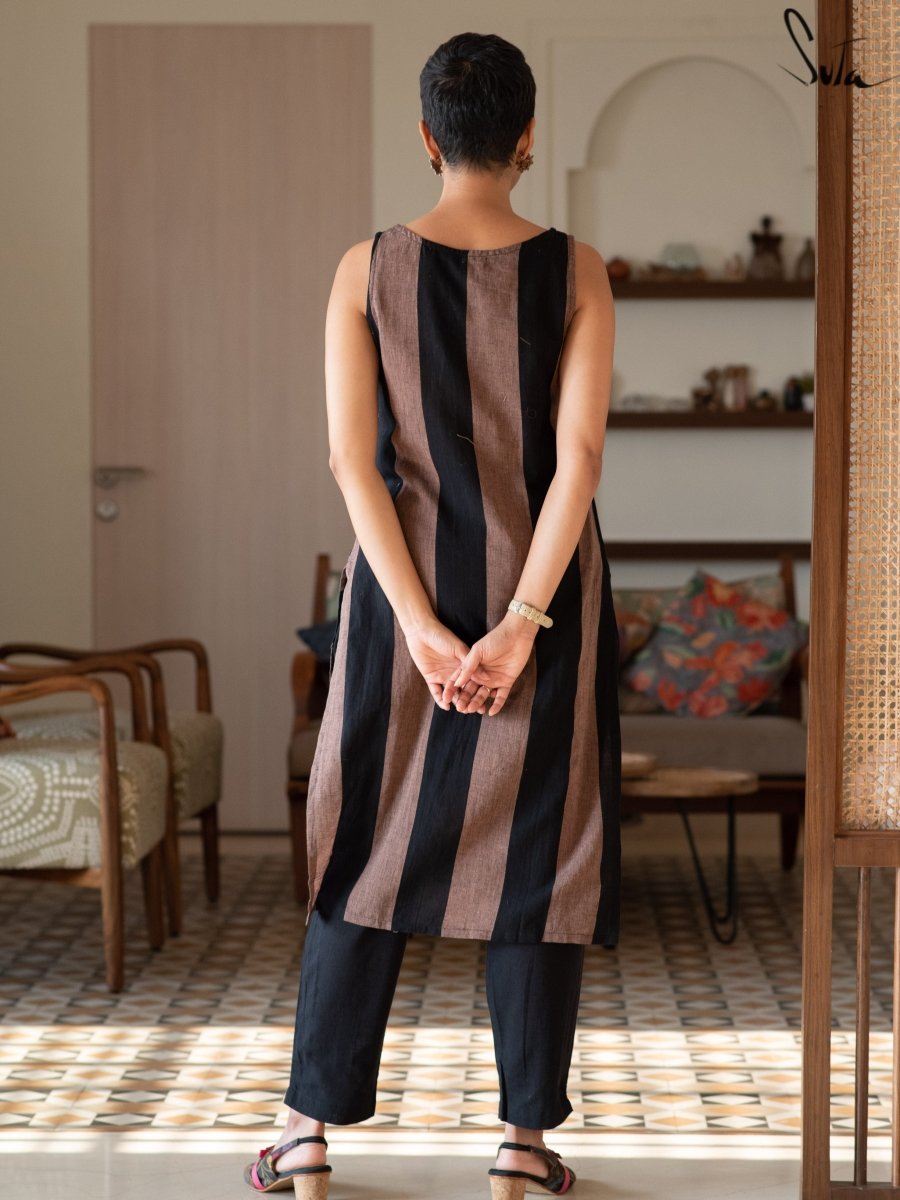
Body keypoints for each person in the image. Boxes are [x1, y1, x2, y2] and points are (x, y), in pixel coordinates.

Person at [244, 30, 620, 1200]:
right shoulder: (579, 269)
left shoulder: (364, 269)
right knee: (542, 852)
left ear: (426, 136)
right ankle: (523, 1145)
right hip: (545, 595)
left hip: (400, 592)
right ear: (527, 137)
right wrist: (522, 621)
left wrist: (415, 624)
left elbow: (351, 463)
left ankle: (307, 1132)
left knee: (364, 836)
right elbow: (579, 460)